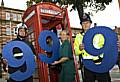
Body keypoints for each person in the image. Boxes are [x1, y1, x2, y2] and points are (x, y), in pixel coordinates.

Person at [74, 13, 111, 82]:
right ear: (81, 25)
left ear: (90, 23)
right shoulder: (78, 36)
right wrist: (80, 48)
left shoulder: (98, 34)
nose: (85, 24)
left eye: (87, 22)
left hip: (100, 64)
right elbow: (76, 51)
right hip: (88, 66)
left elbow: (106, 46)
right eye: (83, 23)